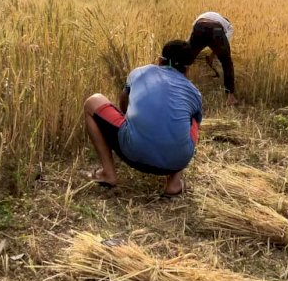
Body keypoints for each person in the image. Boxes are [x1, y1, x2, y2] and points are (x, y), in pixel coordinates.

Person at [82, 40, 202, 196]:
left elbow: (124, 101)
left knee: (93, 101)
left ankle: (108, 173)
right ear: (187, 70)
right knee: (192, 120)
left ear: (160, 60)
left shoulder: (139, 72)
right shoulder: (194, 93)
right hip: (176, 163)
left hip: (132, 153)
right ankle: (174, 183)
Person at [187, 11, 237, 105]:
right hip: (216, 30)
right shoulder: (229, 26)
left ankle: (178, 88)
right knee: (227, 63)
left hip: (199, 26)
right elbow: (223, 44)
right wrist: (213, 55)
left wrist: (188, 52)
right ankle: (231, 97)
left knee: (186, 59)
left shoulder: (203, 16)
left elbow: (190, 38)